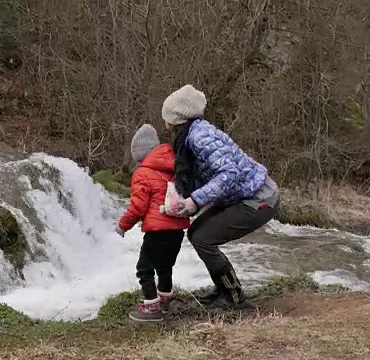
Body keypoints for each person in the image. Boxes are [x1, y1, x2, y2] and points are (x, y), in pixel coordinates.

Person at [161, 84, 280, 309]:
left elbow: (229, 174)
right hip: (243, 196)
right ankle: (225, 288)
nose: (165, 124)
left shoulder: (199, 136)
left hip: (259, 198)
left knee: (204, 238)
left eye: (167, 117)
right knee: (197, 234)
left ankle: (233, 296)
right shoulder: (193, 135)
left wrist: (195, 200)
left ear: (177, 118)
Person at [115, 124, 191, 322]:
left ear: (140, 155)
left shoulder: (142, 173)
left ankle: (151, 307)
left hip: (157, 231)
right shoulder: (174, 167)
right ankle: (165, 300)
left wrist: (123, 225)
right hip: (177, 229)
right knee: (165, 266)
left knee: (144, 268)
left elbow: (137, 207)